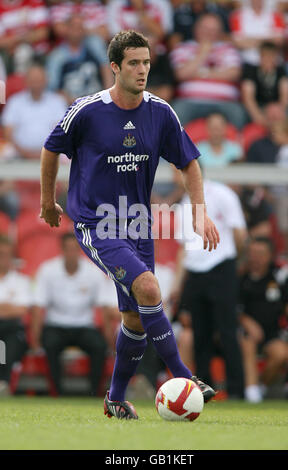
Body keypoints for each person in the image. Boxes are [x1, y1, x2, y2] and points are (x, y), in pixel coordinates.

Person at [39, 30, 220, 419]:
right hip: (96, 221)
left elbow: (188, 162)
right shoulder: (86, 111)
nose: (142, 70)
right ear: (115, 67)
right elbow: (51, 148)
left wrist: (199, 211)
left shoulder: (160, 112)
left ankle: (115, 399)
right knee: (150, 287)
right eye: (134, 63)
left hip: (138, 224)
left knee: (136, 317)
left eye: (147, 63)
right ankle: (186, 378)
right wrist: (46, 200)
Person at [172, 175, 247, 399]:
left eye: (178, 171)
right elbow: (184, 248)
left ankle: (237, 391)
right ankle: (205, 390)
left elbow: (239, 233)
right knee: (200, 334)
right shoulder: (183, 205)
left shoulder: (223, 194)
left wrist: (233, 263)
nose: (175, 177)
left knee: (227, 331)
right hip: (195, 273)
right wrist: (177, 284)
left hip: (221, 267)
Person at [32, 232, 118, 396]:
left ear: (80, 250)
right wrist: (35, 341)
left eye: (75, 249)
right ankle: (56, 392)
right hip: (55, 325)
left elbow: (104, 308)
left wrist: (108, 341)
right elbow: (38, 307)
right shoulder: (47, 270)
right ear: (62, 250)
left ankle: (95, 392)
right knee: (50, 344)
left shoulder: (93, 273)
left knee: (98, 346)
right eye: (68, 249)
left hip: (84, 325)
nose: (72, 253)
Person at [239, 237, 288, 402]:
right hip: (244, 333)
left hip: (272, 333)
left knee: (282, 353)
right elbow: (232, 310)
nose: (254, 258)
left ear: (270, 256)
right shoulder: (240, 278)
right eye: (251, 253)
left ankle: (261, 387)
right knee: (248, 340)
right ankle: (251, 392)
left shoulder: (279, 277)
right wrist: (247, 322)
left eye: (260, 254)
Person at [170, 13, 246, 129]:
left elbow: (234, 73)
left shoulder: (228, 48)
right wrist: (203, 53)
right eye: (205, 28)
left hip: (225, 102)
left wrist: (200, 73)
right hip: (189, 101)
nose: (209, 32)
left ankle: (236, 146)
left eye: (214, 29)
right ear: (196, 29)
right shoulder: (183, 48)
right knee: (176, 112)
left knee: (238, 113)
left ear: (220, 32)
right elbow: (181, 74)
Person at [2, 64, 67, 160]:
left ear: (46, 81)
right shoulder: (15, 101)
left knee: (68, 154)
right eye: (33, 80)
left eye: (39, 80)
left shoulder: (57, 101)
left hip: (52, 151)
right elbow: (7, 132)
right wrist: (24, 152)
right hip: (18, 151)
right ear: (26, 82)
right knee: (6, 151)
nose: (36, 84)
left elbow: (62, 133)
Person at [46, 14, 113, 104]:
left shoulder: (93, 47)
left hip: (97, 102)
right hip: (71, 106)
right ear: (66, 29)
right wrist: (78, 105)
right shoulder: (57, 56)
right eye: (73, 26)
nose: (77, 30)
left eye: (80, 27)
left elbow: (106, 69)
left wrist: (107, 97)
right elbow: (53, 88)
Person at [0, 235, 30, 396]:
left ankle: (4, 381)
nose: (2, 259)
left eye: (6, 255)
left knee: (11, 338)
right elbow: (16, 308)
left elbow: (22, 310)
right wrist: (7, 307)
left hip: (12, 329)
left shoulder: (21, 281)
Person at [241, 41, 288, 127]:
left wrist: (278, 111)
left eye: (271, 56)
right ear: (260, 57)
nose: (268, 59)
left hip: (277, 107)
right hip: (259, 107)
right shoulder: (250, 72)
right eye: (265, 56)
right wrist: (258, 117)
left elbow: (285, 97)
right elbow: (248, 98)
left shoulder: (281, 71)